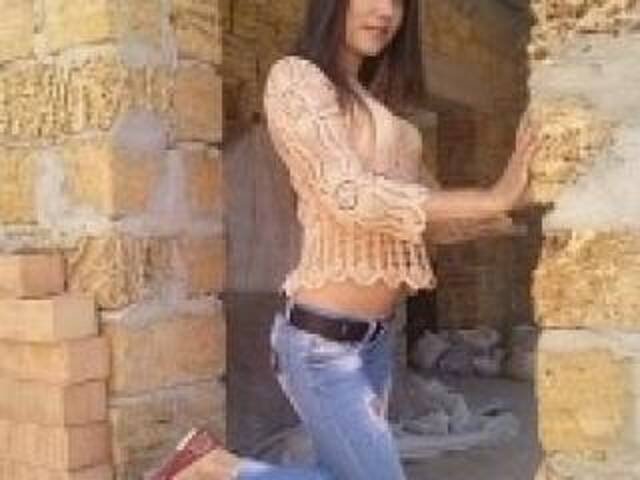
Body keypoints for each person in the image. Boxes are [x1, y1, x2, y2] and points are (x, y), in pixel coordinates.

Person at [150, 0, 539, 478]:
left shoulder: (374, 103)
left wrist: (513, 200)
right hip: (321, 345)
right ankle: (212, 469)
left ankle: (210, 466)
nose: (385, 12)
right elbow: (347, 195)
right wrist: (490, 198)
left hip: (374, 342)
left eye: (397, 1)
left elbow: (425, 217)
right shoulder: (296, 79)